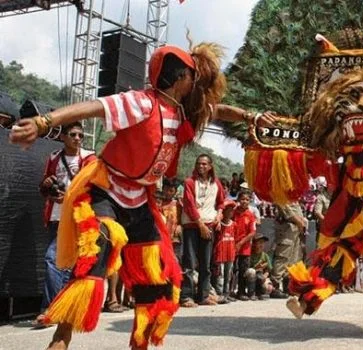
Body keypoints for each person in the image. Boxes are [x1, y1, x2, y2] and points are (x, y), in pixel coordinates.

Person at [9, 43, 276, 349]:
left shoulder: (185, 111)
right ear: (181, 78)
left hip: (140, 199)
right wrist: (45, 122)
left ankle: (140, 344)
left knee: (155, 274)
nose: (197, 84)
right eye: (193, 76)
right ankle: (61, 339)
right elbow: (95, 107)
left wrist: (251, 116)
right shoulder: (141, 103)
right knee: (100, 247)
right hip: (106, 189)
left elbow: (221, 112)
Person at [35, 123, 97, 326]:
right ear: (63, 137)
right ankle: (61, 310)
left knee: (54, 259)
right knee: (61, 262)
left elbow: (93, 188)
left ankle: (52, 309)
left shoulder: (90, 158)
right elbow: (44, 186)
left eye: (81, 135)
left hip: (79, 217)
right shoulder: (53, 157)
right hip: (56, 216)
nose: (78, 138)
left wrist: (68, 197)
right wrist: (46, 185)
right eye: (73, 135)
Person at [180, 154, 226, 306]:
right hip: (193, 225)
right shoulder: (189, 182)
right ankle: (186, 296)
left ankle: (204, 295)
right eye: (199, 164)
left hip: (209, 224)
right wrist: (201, 225)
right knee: (189, 262)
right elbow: (189, 205)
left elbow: (220, 203)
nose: (201, 166)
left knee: (206, 264)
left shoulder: (216, 183)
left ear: (210, 166)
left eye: (205, 164)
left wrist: (219, 215)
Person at [269, 202, 306, 298]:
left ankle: (288, 286)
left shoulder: (294, 197)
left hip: (296, 230)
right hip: (287, 229)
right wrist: (300, 222)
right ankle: (275, 286)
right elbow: (287, 211)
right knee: (282, 257)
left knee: (293, 259)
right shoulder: (282, 195)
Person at [232, 192, 257, 301]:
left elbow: (252, 232)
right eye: (242, 199)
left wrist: (241, 243)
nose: (244, 201)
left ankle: (241, 292)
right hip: (232, 245)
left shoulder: (250, 215)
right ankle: (229, 291)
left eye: (247, 200)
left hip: (244, 247)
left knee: (243, 270)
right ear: (238, 200)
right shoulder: (233, 212)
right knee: (231, 269)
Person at [214, 200, 237, 301]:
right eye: (227, 210)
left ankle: (227, 293)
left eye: (231, 210)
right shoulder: (219, 225)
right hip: (221, 253)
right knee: (221, 274)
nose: (229, 212)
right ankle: (220, 293)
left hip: (230, 253)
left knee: (229, 274)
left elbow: (236, 237)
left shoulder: (234, 225)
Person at [160, 178, 183, 262]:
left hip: (175, 238)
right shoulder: (159, 204)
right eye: (165, 190)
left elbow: (182, 218)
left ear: (175, 191)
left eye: (171, 190)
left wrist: (180, 226)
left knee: (175, 260)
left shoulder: (178, 205)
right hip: (161, 238)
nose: (168, 193)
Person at [245, 234, 272, 300]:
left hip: (261, 275)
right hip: (252, 276)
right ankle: (251, 293)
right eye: (259, 242)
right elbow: (247, 270)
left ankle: (260, 293)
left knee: (268, 287)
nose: (261, 245)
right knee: (251, 271)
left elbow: (268, 269)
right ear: (254, 244)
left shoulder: (265, 255)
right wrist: (256, 267)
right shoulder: (250, 255)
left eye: (262, 243)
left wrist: (265, 275)